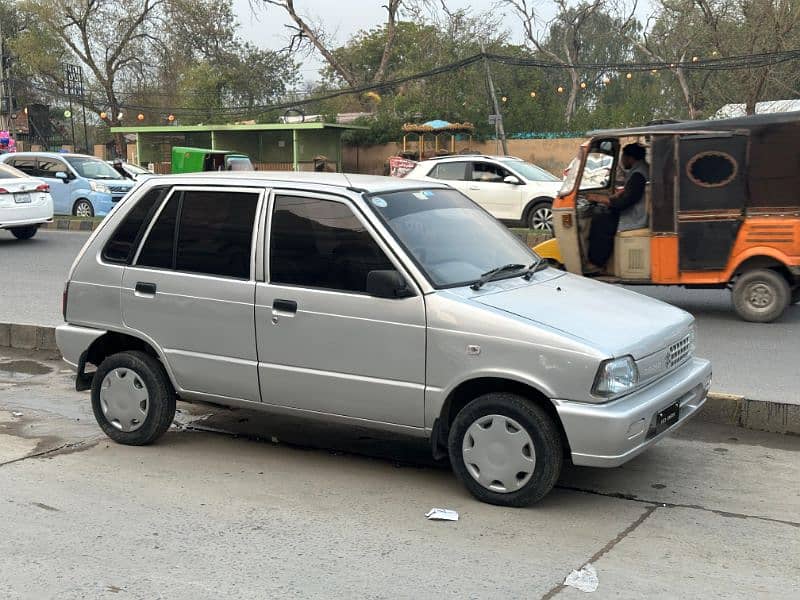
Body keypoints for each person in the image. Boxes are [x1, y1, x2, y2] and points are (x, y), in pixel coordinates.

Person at [586, 143, 649, 273]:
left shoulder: (638, 174)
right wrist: (612, 197)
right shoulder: (640, 170)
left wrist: (602, 200)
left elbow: (624, 202)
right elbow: (627, 192)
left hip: (635, 217)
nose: (622, 161)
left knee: (601, 222)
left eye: (623, 157)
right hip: (635, 211)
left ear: (630, 158)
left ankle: (597, 263)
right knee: (603, 216)